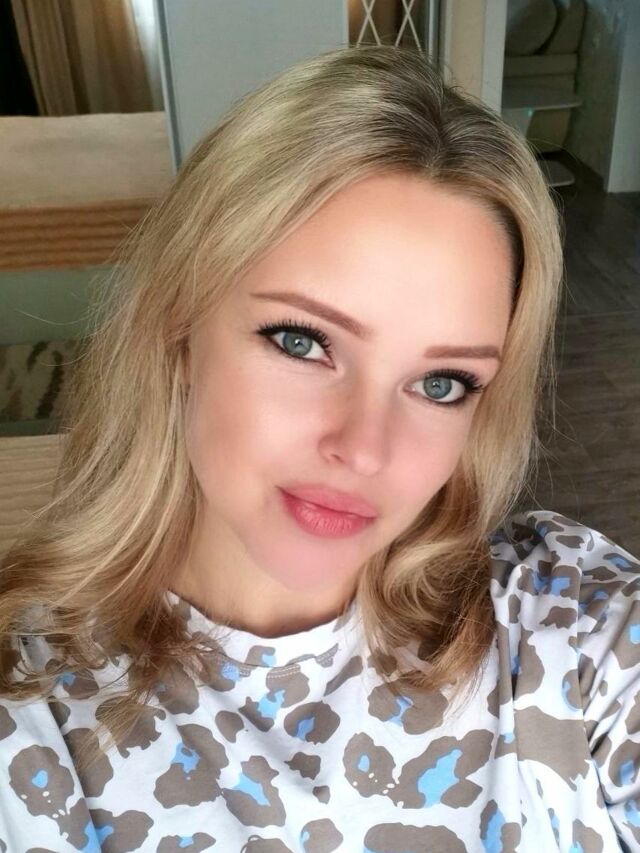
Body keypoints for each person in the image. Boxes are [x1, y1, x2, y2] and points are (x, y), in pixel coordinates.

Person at [0, 44, 638, 853]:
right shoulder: (34, 722)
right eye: (302, 341)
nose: (365, 449)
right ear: (180, 326)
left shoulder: (567, 627)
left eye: (442, 382)